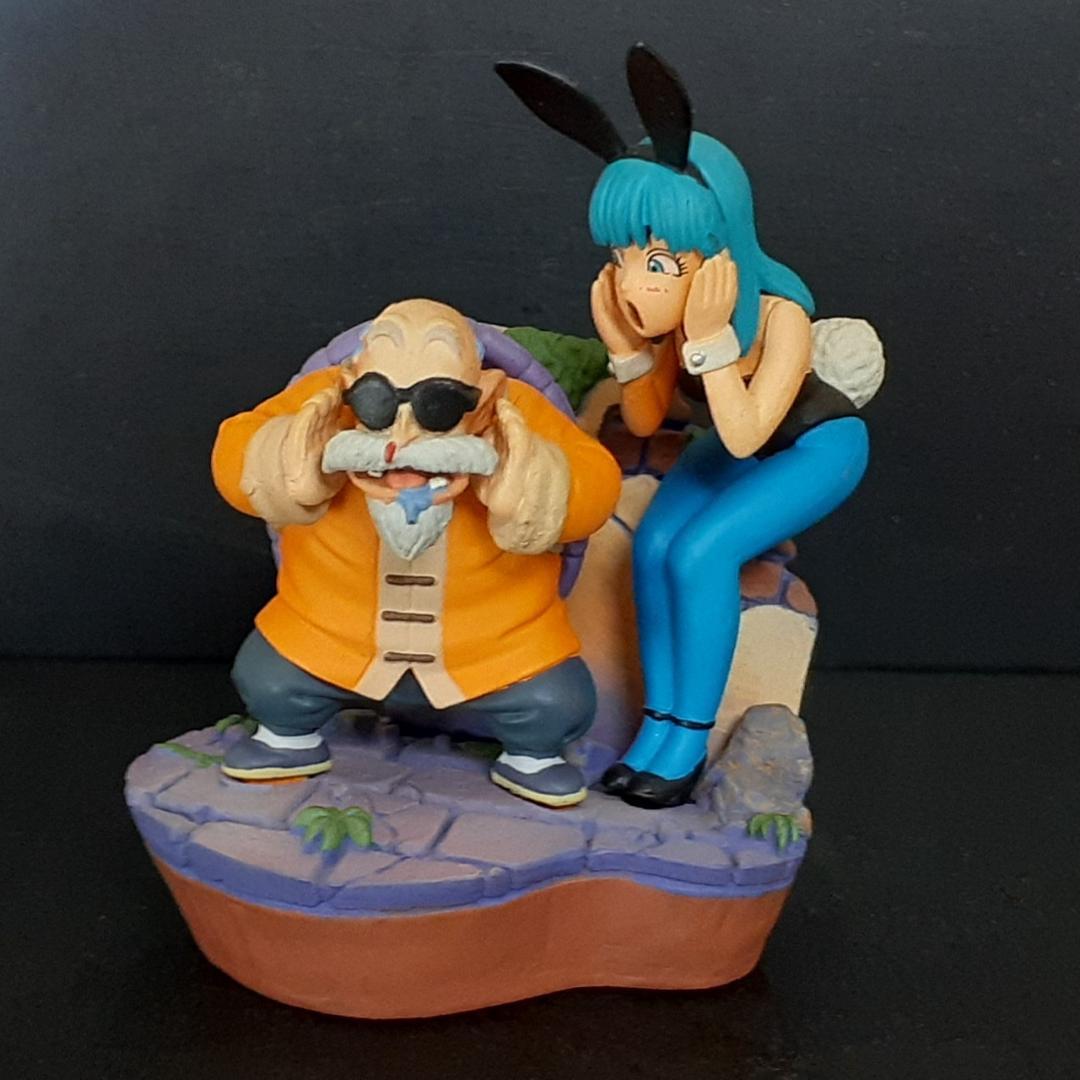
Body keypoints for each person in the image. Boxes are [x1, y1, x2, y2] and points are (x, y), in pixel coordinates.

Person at [498, 45, 879, 808]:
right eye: (623, 256)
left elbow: (744, 435)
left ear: (720, 248)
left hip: (812, 447)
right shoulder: (670, 327)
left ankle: (688, 743)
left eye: (660, 262)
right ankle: (656, 730)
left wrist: (705, 341)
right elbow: (647, 418)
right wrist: (627, 349)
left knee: (703, 552)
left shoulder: (778, 317)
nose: (632, 280)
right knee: (653, 549)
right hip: (733, 446)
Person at [211, 298, 622, 808]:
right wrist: (291, 458)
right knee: (269, 681)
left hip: (493, 646)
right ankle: (286, 739)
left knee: (556, 704)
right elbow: (237, 449)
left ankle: (532, 758)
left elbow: (594, 481)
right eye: (377, 402)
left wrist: (530, 479)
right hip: (330, 635)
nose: (402, 440)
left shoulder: (515, 412)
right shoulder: (323, 401)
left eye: (439, 405)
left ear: (483, 390)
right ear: (351, 381)